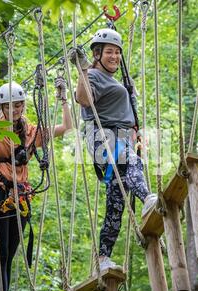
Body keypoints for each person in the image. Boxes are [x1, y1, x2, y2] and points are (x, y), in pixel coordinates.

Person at [0, 53, 72, 291]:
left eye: (18, 104)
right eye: (8, 105)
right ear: (1, 107)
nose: (14, 109)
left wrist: (63, 98)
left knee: (10, 252)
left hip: (21, 195)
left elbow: (67, 128)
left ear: (23, 105)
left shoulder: (32, 132)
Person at [69, 28, 157, 273]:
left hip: (122, 138)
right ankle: (148, 198)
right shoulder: (93, 75)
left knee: (116, 204)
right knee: (132, 164)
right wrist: (82, 69)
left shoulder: (116, 81)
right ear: (97, 54)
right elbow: (84, 99)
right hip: (103, 137)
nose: (115, 57)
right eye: (109, 52)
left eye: (118, 53)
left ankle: (103, 257)